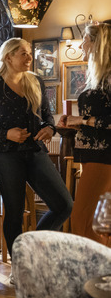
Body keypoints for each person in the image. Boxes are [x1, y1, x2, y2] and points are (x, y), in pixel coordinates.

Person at [0, 38, 72, 275]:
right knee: (14, 212)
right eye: (23, 54)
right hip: (5, 155)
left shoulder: (36, 81)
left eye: (29, 54)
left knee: (63, 205)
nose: (29, 58)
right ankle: (21, 270)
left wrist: (51, 128)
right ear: (8, 57)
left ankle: (32, 248)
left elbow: (47, 116)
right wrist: (5, 133)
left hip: (35, 152)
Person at [57, 20, 111, 243]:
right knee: (100, 222)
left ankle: (94, 271)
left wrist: (84, 120)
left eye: (85, 40)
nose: (81, 46)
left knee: (83, 219)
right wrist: (75, 123)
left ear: (98, 44)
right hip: (94, 156)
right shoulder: (99, 79)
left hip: (104, 156)